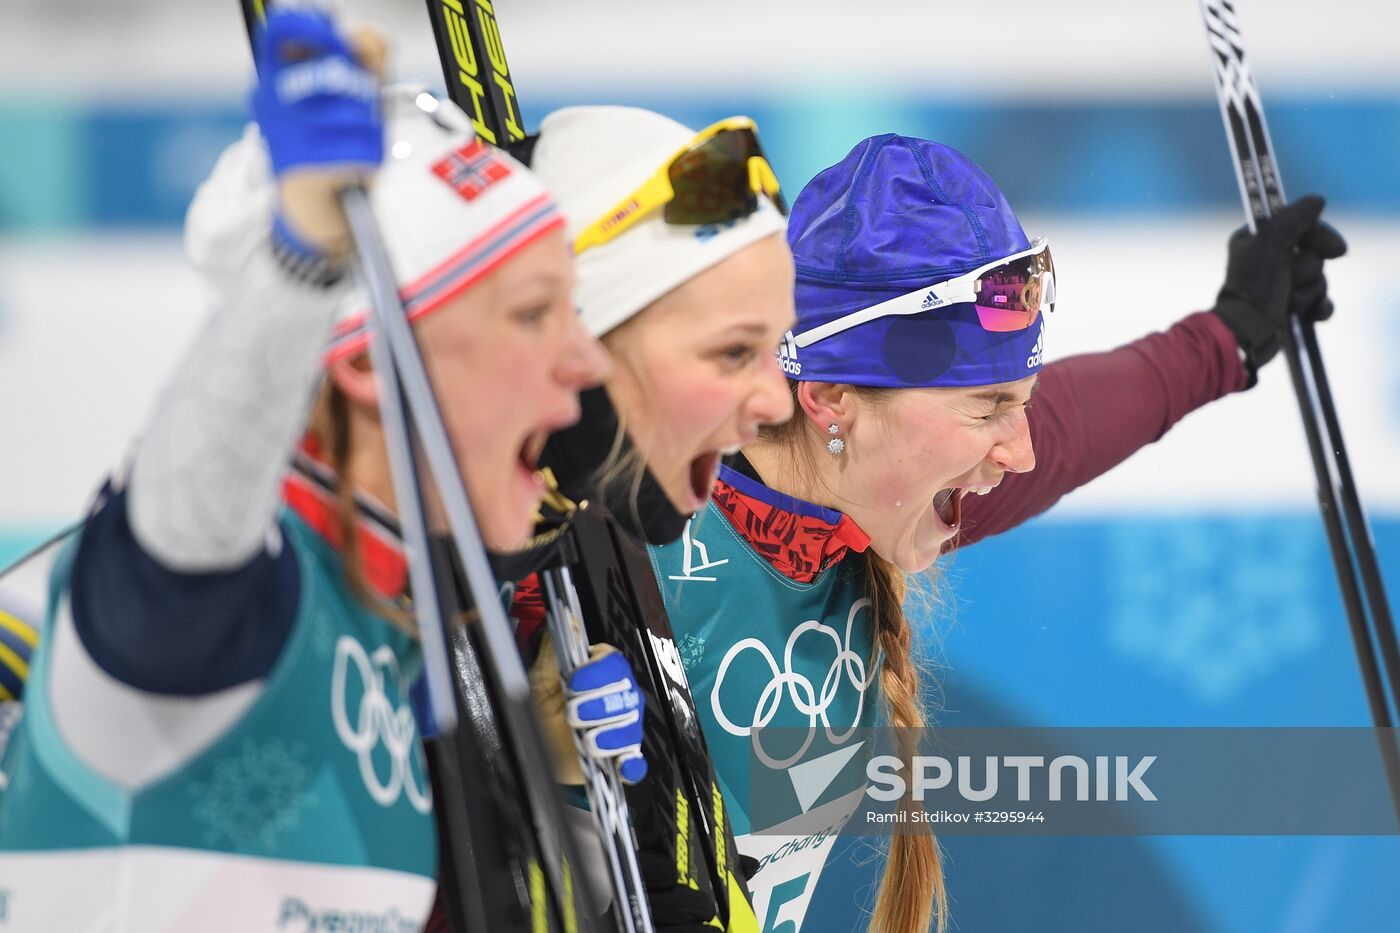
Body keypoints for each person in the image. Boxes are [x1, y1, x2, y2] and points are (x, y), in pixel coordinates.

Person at [0, 11, 632, 930]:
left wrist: (541, 762)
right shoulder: (224, 589)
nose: (586, 364)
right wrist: (301, 262)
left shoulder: (382, 637)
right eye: (534, 314)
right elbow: (186, 525)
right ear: (370, 363)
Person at [647, 133, 1346, 933]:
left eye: (1018, 400)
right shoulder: (644, 541)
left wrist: (1228, 337)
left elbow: (1077, 422)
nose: (1021, 450)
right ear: (832, 399)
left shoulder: (874, 502)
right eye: (986, 408)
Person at [425, 106, 799, 932]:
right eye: (733, 352)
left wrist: (550, 780)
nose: (776, 403)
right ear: (573, 343)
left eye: (775, 350)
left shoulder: (572, 538)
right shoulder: (342, 552)